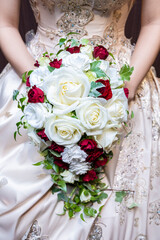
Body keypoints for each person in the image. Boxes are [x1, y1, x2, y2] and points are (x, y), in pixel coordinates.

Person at [0, 0, 160, 239]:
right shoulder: (38, 85)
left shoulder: (124, 90)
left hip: (122, 88)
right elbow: (4, 23)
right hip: (34, 81)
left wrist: (124, 89)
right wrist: (41, 87)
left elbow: (154, 21)